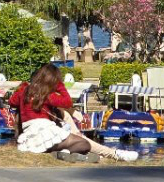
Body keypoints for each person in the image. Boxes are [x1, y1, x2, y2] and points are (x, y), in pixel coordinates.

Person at [9, 63, 137, 162]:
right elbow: (67, 102)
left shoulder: (24, 91)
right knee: (83, 144)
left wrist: (24, 88)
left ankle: (63, 152)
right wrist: (60, 85)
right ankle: (114, 154)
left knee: (76, 137)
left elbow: (12, 102)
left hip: (29, 135)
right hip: (45, 131)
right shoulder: (47, 95)